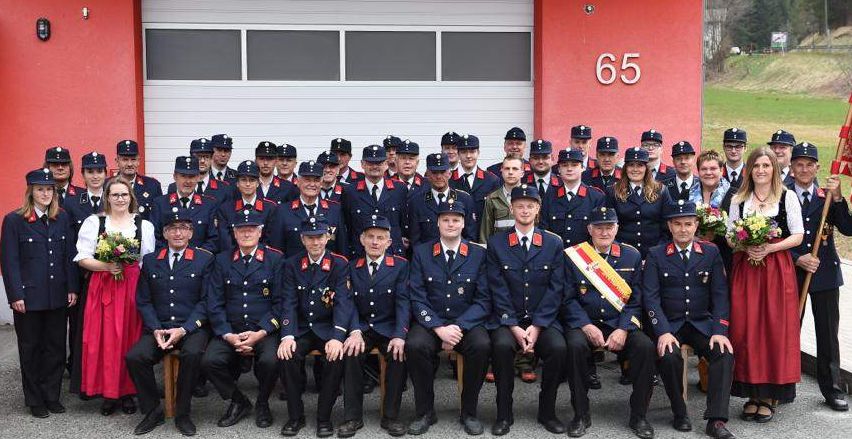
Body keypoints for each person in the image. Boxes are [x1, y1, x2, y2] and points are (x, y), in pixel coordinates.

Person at [644, 199, 736, 439]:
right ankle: (679, 411)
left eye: (688, 223)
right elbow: (651, 299)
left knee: (723, 353)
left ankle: (716, 420)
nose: (683, 229)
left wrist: (719, 330)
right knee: (669, 356)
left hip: (700, 323)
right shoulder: (656, 254)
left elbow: (720, 296)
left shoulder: (710, 252)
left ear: (696, 225)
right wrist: (662, 331)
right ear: (670, 226)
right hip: (671, 325)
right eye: (678, 224)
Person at [727, 146, 805, 422]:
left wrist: (769, 249)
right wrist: (746, 245)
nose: (761, 170)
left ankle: (770, 395)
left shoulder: (787, 197)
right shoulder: (739, 198)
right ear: (749, 169)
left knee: (773, 328)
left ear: (774, 168)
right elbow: (729, 236)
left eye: (766, 165)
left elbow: (798, 235)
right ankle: (752, 393)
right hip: (747, 269)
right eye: (756, 166)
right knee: (747, 328)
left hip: (776, 271)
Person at [562, 206, 655, 439]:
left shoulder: (631, 255)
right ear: (589, 229)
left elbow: (636, 300)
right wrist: (585, 326)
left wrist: (623, 329)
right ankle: (580, 414)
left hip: (619, 322)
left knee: (645, 347)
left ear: (617, 228)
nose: (604, 232)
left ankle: (639, 415)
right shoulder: (574, 256)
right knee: (574, 346)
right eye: (599, 227)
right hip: (586, 322)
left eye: (609, 227)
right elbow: (567, 298)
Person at [486, 185, 567, 436]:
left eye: (530, 205)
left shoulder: (553, 243)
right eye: (519, 205)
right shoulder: (497, 243)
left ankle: (547, 412)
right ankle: (503, 413)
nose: (524, 210)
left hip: (541, 320)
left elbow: (556, 289)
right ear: (511, 208)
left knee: (558, 348)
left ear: (538, 209)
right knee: (500, 347)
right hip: (507, 319)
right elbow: (496, 288)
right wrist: (513, 326)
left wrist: (538, 325)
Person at [125, 209, 214, 436]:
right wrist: (156, 329)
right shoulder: (151, 260)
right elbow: (143, 301)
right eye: (172, 228)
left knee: (192, 355)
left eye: (183, 228)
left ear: (191, 233)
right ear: (164, 233)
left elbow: (207, 301)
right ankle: (152, 410)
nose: (177, 233)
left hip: (191, 328)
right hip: (160, 327)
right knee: (135, 357)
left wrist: (184, 329)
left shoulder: (204, 259)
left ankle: (183, 413)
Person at [405, 200, 491, 436]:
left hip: (466, 322)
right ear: (437, 223)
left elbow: (484, 300)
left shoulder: (477, 253)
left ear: (463, 223)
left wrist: (458, 327)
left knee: (482, 345)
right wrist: (438, 328)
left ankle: (469, 412)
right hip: (432, 322)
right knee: (415, 345)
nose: (450, 224)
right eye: (445, 220)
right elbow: (417, 297)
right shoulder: (422, 252)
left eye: (455, 220)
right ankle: (425, 412)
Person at [1, 168, 79, 418]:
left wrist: (72, 288)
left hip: (57, 295)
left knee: (56, 348)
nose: (46, 193)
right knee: (31, 348)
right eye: (40, 189)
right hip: (29, 298)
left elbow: (68, 256)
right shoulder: (14, 220)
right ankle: (34, 399)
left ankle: (51, 396)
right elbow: (9, 261)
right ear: (31, 192)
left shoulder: (62, 218)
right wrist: (15, 295)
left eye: (49, 189)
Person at [74, 177, 156, 415]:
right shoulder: (95, 222)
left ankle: (129, 392)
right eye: (115, 195)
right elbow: (82, 258)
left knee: (129, 339)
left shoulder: (144, 225)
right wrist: (107, 266)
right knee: (105, 340)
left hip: (132, 286)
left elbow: (147, 261)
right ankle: (108, 393)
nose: (120, 199)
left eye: (124, 195)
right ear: (107, 197)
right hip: (104, 286)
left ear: (131, 197)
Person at [203, 210, 285, 429]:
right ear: (234, 233)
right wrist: (227, 334)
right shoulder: (222, 260)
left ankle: (262, 403)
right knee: (210, 361)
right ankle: (239, 401)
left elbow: (280, 303)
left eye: (251, 229)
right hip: (232, 329)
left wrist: (260, 333)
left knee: (271, 360)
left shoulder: (275, 259)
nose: (246, 233)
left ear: (260, 232)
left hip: (263, 330)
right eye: (241, 229)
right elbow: (215, 302)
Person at [787, 142, 852, 412]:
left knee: (828, 334)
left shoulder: (827, 196)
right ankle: (783, 385)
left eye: (809, 164)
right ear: (791, 168)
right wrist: (797, 258)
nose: (804, 169)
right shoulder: (783, 195)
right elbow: (775, 235)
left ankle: (832, 389)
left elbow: (848, 229)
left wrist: (837, 198)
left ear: (817, 167)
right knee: (789, 331)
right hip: (793, 272)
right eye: (799, 164)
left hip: (824, 273)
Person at [278, 216, 352, 437]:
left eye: (319, 237)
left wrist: (338, 336)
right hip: (301, 328)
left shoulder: (339, 263)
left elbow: (343, 303)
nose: (315, 242)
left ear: (328, 237)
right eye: (310, 238)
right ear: (302, 240)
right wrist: (287, 335)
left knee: (335, 357)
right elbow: (289, 301)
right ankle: (295, 416)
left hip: (327, 328)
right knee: (286, 356)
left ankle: (324, 418)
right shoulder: (292, 264)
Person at [337, 215, 410, 437]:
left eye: (381, 238)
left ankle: (391, 417)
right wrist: (354, 331)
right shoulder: (351, 266)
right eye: (370, 237)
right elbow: (346, 302)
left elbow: (403, 303)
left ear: (389, 242)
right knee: (351, 353)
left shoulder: (400, 266)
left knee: (398, 355)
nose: (375, 242)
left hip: (389, 327)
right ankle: (352, 417)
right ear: (362, 239)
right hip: (361, 328)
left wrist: (400, 335)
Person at [63, 152, 107, 385]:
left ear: (106, 173)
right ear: (82, 174)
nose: (95, 175)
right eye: (90, 171)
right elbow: (69, 248)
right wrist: (72, 284)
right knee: (81, 330)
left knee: (108, 330)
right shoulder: (71, 203)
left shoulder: (114, 198)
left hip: (110, 277)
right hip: (82, 277)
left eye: (99, 171)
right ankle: (81, 375)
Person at [268, 161, 348, 257]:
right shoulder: (283, 211)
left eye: (316, 180)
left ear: (321, 182)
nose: (312, 184)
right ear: (297, 181)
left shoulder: (334, 210)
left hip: (328, 271)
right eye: (307, 180)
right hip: (293, 271)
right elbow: (277, 252)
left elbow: (342, 249)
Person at [341, 145, 409, 258]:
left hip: (392, 257)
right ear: (362, 164)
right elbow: (348, 225)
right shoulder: (350, 192)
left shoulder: (400, 190)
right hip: (360, 257)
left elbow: (404, 223)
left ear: (386, 164)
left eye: (379, 163)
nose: (374, 166)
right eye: (370, 163)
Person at [605, 147, 672, 258]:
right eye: (631, 165)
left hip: (655, 254)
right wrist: (622, 253)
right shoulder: (613, 191)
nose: (635, 169)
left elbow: (667, 227)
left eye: (640, 165)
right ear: (625, 168)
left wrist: (658, 252)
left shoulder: (661, 190)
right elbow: (609, 226)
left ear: (646, 168)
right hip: (623, 255)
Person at [151, 156, 219, 253]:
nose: (187, 181)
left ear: (198, 177)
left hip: (199, 264)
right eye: (183, 176)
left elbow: (213, 239)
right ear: (175, 176)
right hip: (167, 263)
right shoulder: (160, 203)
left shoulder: (209, 205)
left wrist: (198, 257)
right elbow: (154, 237)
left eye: (191, 177)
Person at [541, 149, 605, 248]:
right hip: (557, 255)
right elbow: (544, 230)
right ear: (559, 169)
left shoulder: (596, 197)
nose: (569, 169)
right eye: (565, 165)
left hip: (585, 257)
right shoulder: (550, 196)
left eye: (574, 165)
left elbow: (599, 231)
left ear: (582, 168)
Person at [408, 152, 476, 246]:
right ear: (427, 174)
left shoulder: (464, 200)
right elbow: (415, 240)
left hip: (458, 257)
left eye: (442, 171)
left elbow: (470, 237)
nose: (439, 176)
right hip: (427, 258)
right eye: (434, 172)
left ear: (449, 173)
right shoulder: (417, 202)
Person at [216, 160, 278, 251]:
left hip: (262, 261)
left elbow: (270, 240)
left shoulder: (270, 208)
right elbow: (226, 242)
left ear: (258, 183)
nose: (248, 184)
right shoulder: (226, 209)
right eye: (243, 180)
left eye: (252, 180)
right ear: (237, 183)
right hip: (232, 260)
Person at [449, 134, 500, 236]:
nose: (468, 156)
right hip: (457, 240)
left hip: (485, 239)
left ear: (478, 153)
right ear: (458, 154)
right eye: (464, 152)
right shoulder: (449, 180)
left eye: (472, 152)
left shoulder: (491, 180)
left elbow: (496, 213)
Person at [167, 138, 231, 206]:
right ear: (191, 157)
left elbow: (226, 215)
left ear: (211, 159)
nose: (202, 161)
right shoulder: (174, 187)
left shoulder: (224, 188)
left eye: (206, 157)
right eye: (198, 157)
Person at [115, 139, 162, 221]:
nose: (129, 164)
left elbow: (159, 218)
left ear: (138, 161)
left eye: (133, 159)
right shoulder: (107, 185)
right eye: (125, 159)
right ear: (117, 161)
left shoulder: (152, 185)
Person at [480, 156, 524, 243]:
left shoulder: (531, 198)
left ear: (522, 173)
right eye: (507, 168)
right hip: (499, 252)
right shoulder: (492, 198)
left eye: (515, 169)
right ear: (501, 171)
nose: (510, 172)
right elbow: (486, 233)